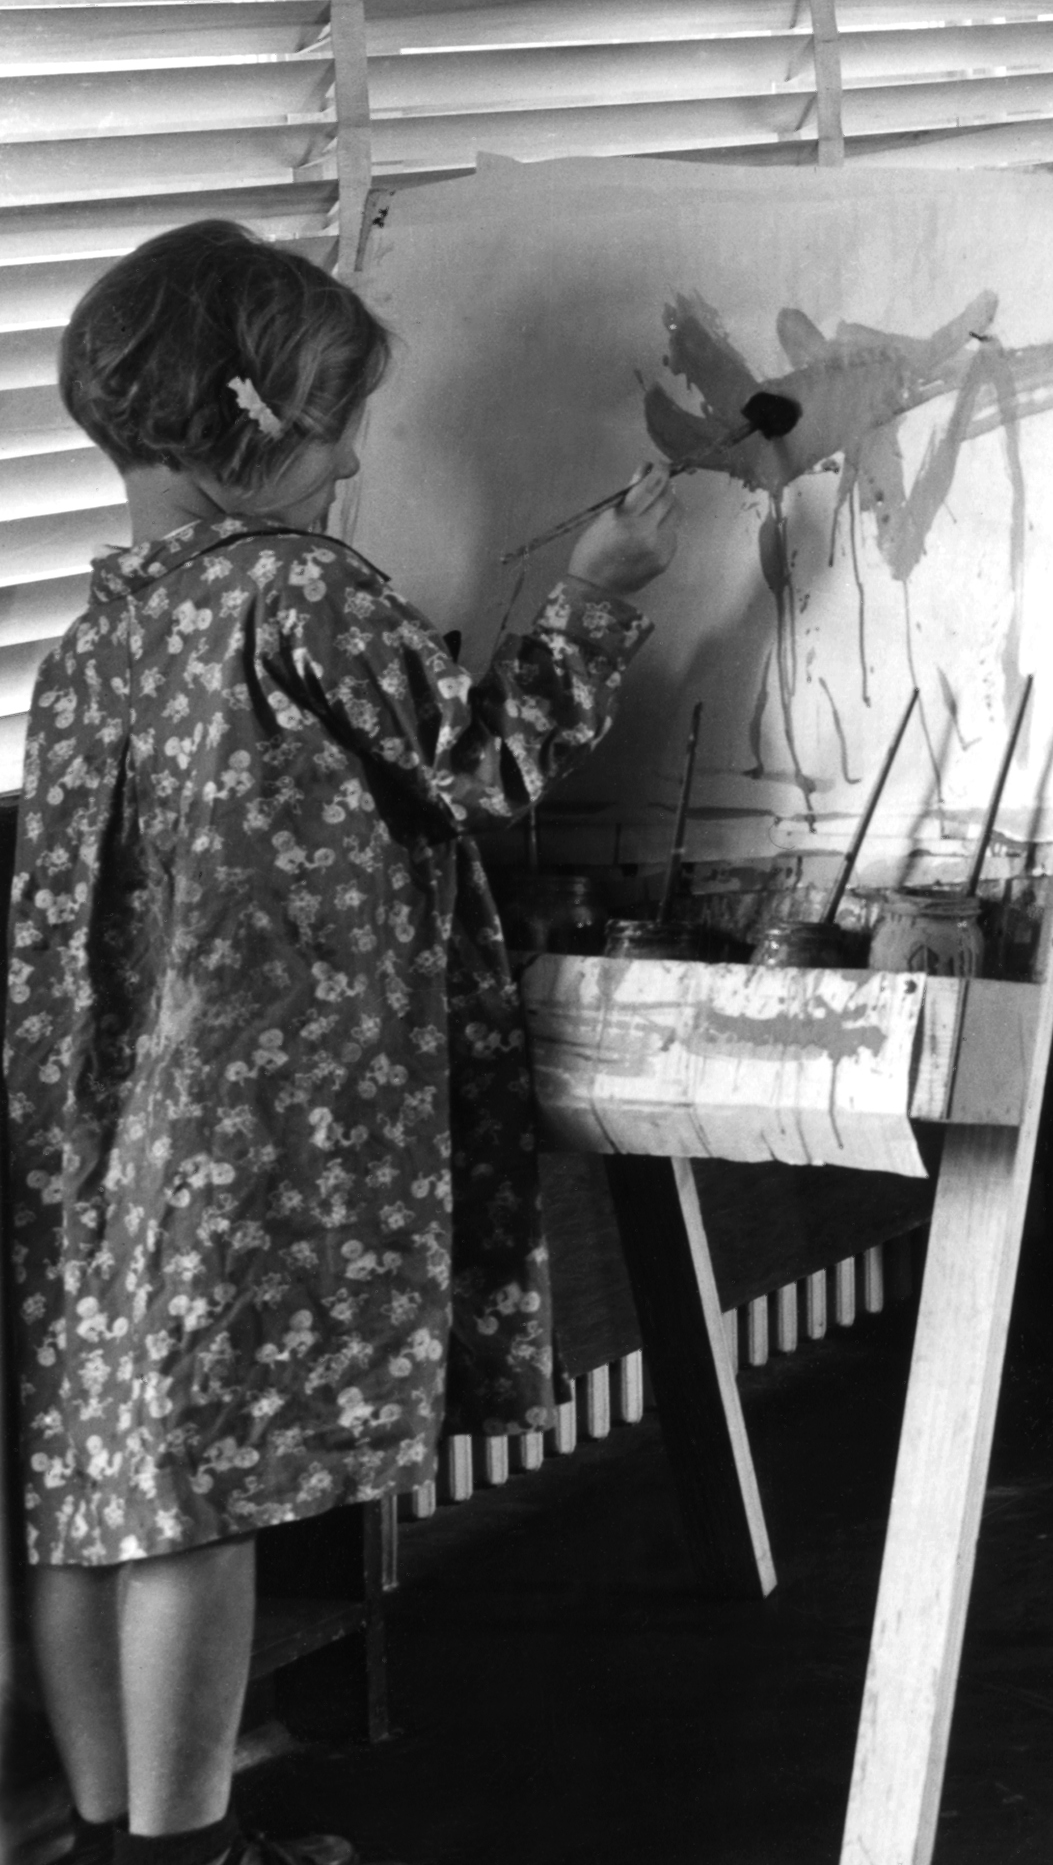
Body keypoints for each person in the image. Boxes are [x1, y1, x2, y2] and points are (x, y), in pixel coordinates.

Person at [12, 221, 677, 1865]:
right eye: (331, 425)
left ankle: (107, 1827)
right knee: (202, 1498)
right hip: (248, 1132)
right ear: (240, 433)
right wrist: (592, 607)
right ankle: (183, 1845)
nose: (357, 457)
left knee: (97, 1481)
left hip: (98, 1138)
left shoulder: (92, 641)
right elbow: (478, 763)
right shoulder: (295, 589)